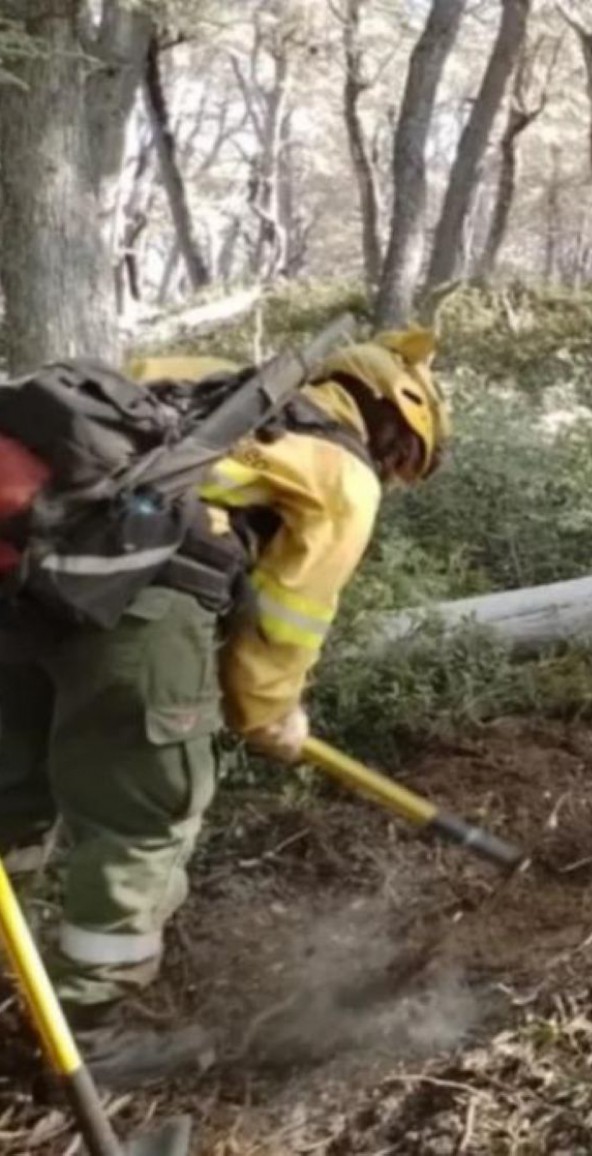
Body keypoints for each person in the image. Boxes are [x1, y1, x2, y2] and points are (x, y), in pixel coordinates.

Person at [0, 328, 449, 1076]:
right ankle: (87, 1038)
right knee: (146, 813)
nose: (394, 476)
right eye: (404, 459)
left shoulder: (193, 378)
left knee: (9, 801)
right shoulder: (343, 471)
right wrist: (268, 712)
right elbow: (288, 618)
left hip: (18, 590)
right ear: (393, 421)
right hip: (135, 616)